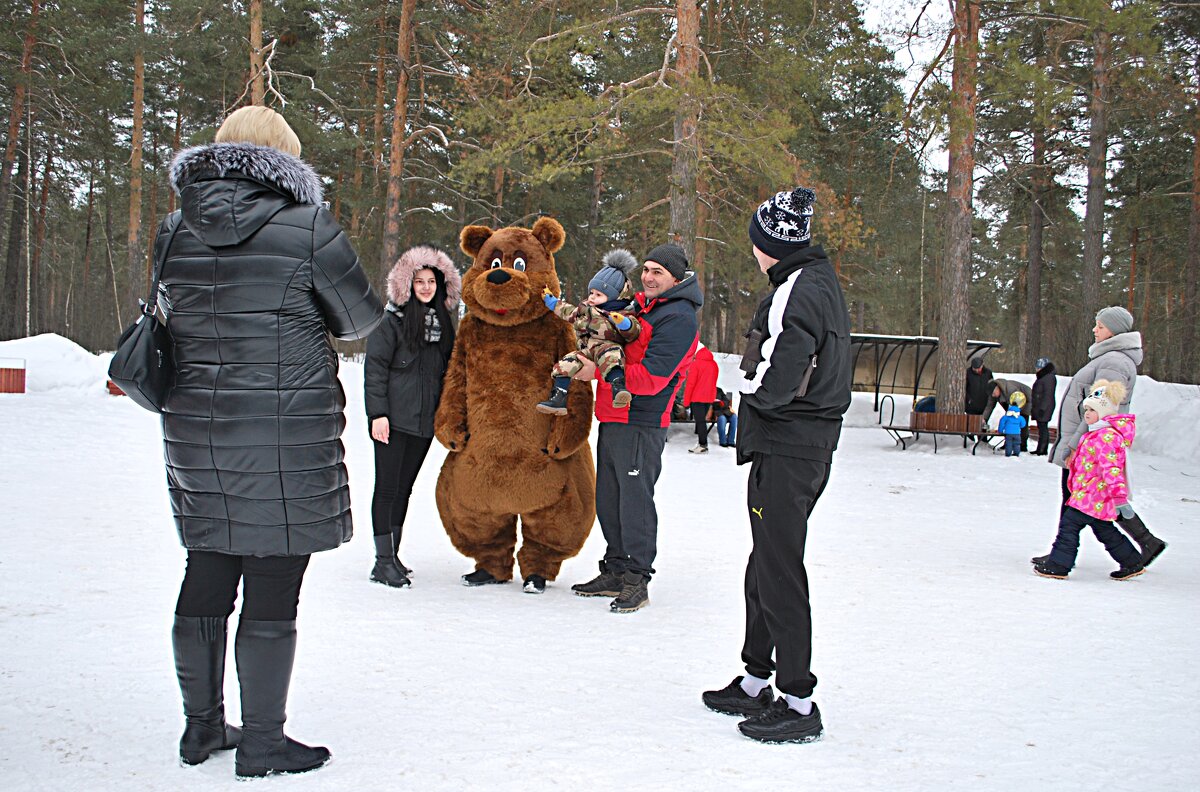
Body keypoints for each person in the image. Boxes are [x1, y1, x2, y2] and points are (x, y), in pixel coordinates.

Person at [159, 106, 382, 778]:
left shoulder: (176, 228)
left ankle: (201, 730)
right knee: (273, 583)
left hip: (198, 428)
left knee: (207, 569)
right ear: (287, 160)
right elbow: (360, 319)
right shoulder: (308, 226)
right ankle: (261, 743)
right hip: (287, 435)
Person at [702, 186, 851, 745]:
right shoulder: (818, 283)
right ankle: (755, 676)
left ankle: (798, 698)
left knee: (780, 567)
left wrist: (749, 395)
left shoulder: (796, 289)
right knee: (765, 562)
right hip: (801, 445)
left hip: (790, 446)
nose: (754, 253)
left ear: (771, 244)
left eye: (756, 243)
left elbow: (779, 371)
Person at [570, 242, 702, 613]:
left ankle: (637, 579)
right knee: (609, 500)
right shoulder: (644, 306)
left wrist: (597, 372)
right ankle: (616, 569)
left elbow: (653, 378)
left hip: (641, 421)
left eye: (657, 271)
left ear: (676, 277)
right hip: (613, 416)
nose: (648, 276)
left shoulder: (678, 317)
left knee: (635, 503)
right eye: (645, 269)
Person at [364, 245, 461, 588]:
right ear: (407, 284)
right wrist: (378, 414)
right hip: (392, 420)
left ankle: (394, 554)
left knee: (404, 489)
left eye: (430, 281)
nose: (424, 287)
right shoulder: (390, 321)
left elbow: (449, 371)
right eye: (418, 281)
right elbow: (375, 369)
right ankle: (382, 561)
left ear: (440, 285)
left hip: (423, 423)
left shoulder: (445, 325)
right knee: (387, 489)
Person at [1048, 306, 1166, 569]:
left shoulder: (1113, 362)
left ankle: (1061, 558)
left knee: (1080, 502)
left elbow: (1099, 408)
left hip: (1091, 446)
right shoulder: (1110, 358)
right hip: (1089, 443)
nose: (1094, 330)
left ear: (1114, 330)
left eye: (1100, 326)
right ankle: (1142, 545)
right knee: (1084, 503)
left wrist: (1073, 446)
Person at [1032, 381, 1144, 580]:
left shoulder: (1106, 437)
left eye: (1092, 409)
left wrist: (1119, 498)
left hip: (1093, 496)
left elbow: (1112, 469)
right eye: (1086, 409)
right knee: (1104, 531)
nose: (1087, 413)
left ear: (1104, 412)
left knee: (1069, 524)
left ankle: (1059, 564)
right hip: (1090, 494)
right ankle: (1132, 561)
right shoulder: (1095, 434)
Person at [537, 248, 640, 414]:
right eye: (591, 292)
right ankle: (558, 397)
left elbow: (634, 331)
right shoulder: (585, 309)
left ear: (616, 297)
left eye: (598, 294)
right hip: (586, 350)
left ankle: (618, 388)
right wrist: (551, 302)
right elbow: (567, 311)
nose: (591, 297)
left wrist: (624, 324)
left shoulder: (622, 313)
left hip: (606, 346)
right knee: (566, 362)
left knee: (612, 357)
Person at [683, 345, 719, 453]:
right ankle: (702, 443)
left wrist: (686, 402)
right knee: (702, 421)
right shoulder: (714, 364)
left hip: (697, 397)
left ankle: (703, 445)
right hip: (708, 398)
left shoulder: (696, 364)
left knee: (700, 422)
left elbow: (690, 384)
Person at [983, 377, 1033, 451]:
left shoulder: (1010, 389)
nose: (993, 396)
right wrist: (984, 418)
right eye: (992, 395)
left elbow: (1019, 401)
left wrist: (1014, 414)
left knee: (1021, 422)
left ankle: (1022, 445)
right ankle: (1008, 443)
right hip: (1011, 401)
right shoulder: (993, 394)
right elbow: (989, 406)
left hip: (1024, 401)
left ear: (997, 388)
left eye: (993, 393)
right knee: (1009, 422)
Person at [1030, 357, 1057, 456]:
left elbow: (1048, 395)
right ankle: (1040, 448)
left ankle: (1042, 449)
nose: (1036, 369)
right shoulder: (1044, 377)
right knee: (1041, 427)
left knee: (1043, 428)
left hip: (1044, 407)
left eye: (1038, 368)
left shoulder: (1048, 378)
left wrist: (1043, 408)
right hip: (1041, 406)